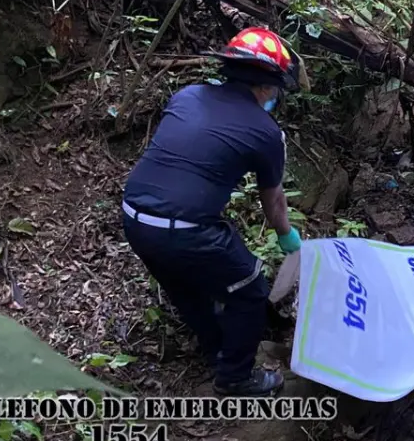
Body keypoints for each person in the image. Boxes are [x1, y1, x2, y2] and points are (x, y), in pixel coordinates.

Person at [121, 26, 303, 396]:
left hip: (133, 215)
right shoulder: (265, 131)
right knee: (251, 287)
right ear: (268, 87)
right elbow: (273, 200)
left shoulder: (187, 96)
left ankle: (216, 346)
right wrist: (287, 237)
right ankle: (235, 377)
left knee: (185, 287)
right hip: (185, 228)